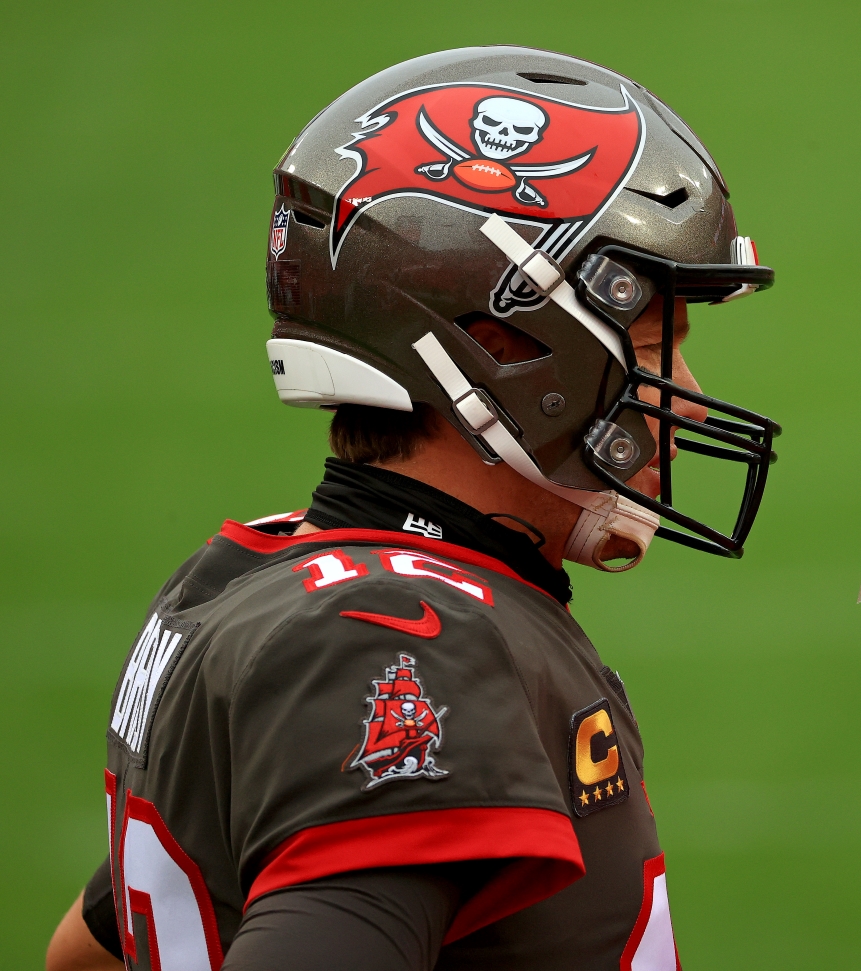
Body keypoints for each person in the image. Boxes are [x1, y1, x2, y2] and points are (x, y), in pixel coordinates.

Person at [45, 46, 779, 971]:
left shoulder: (244, 575)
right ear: (504, 348)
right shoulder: (400, 632)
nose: (694, 396)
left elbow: (83, 951)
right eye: (654, 342)